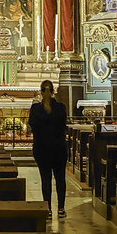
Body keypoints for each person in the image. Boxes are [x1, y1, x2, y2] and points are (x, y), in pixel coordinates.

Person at [28, 79, 68, 218]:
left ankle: (48, 209)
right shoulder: (61, 108)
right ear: (53, 92)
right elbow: (63, 126)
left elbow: (31, 127)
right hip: (59, 148)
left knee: (45, 179)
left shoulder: (35, 109)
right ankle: (61, 208)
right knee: (60, 178)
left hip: (42, 148)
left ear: (40, 91)